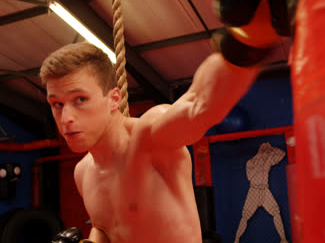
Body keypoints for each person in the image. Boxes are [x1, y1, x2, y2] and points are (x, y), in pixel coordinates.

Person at [41, 42, 259, 243]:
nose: (66, 117)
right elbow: (105, 228)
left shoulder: (150, 137)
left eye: (80, 99)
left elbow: (200, 104)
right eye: (57, 103)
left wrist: (249, 39)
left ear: (114, 99)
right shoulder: (83, 173)